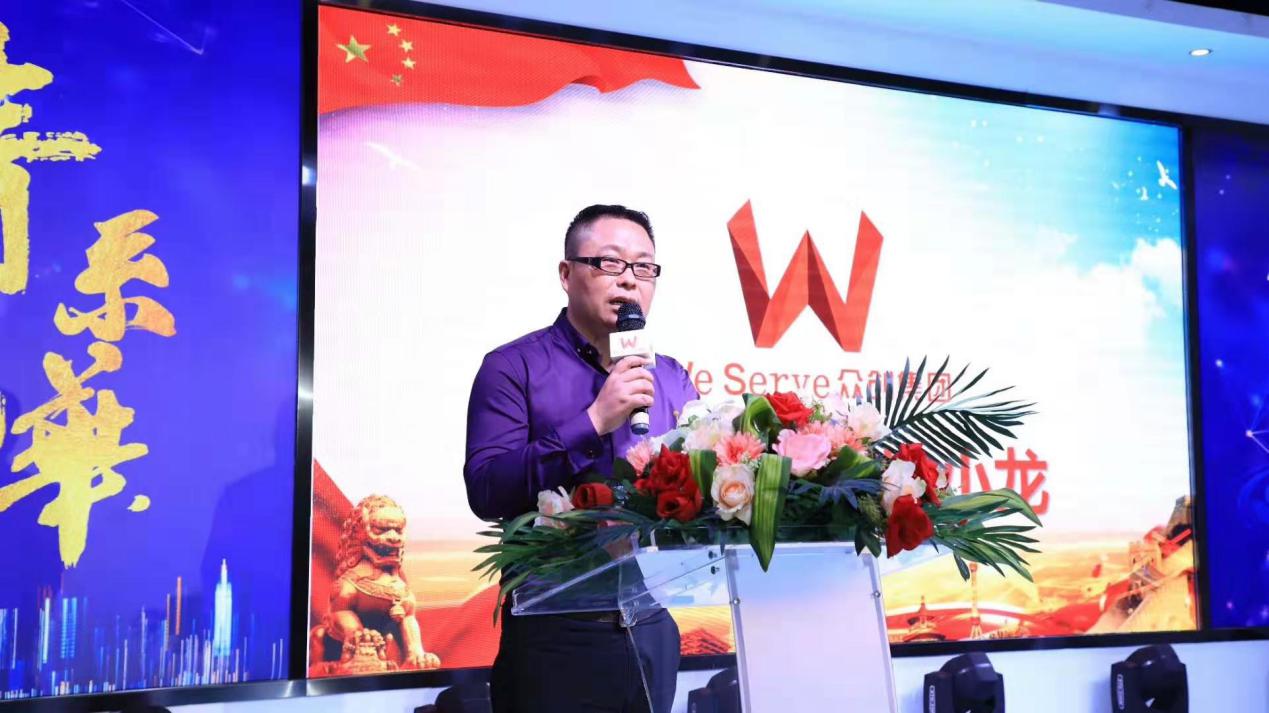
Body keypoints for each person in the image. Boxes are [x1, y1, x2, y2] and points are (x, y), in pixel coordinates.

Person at [464, 204, 698, 713]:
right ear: (567, 274)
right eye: (610, 263)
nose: (629, 280)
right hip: (554, 636)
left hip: (652, 626)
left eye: (644, 267)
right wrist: (592, 422)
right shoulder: (513, 367)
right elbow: (486, 489)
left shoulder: (671, 377)